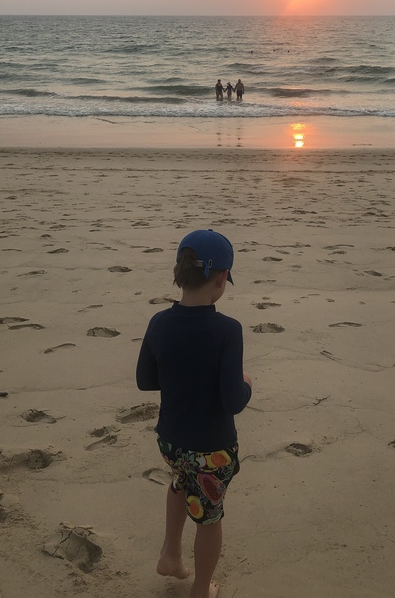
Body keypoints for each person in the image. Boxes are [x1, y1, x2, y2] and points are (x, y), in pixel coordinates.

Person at [136, 229, 252, 598]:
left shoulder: (159, 322)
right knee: (209, 517)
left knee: (179, 483)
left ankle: (170, 555)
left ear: (180, 272)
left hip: (171, 441)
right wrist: (246, 384)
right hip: (211, 450)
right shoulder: (227, 330)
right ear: (221, 278)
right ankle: (201, 589)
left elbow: (144, 380)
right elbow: (233, 401)